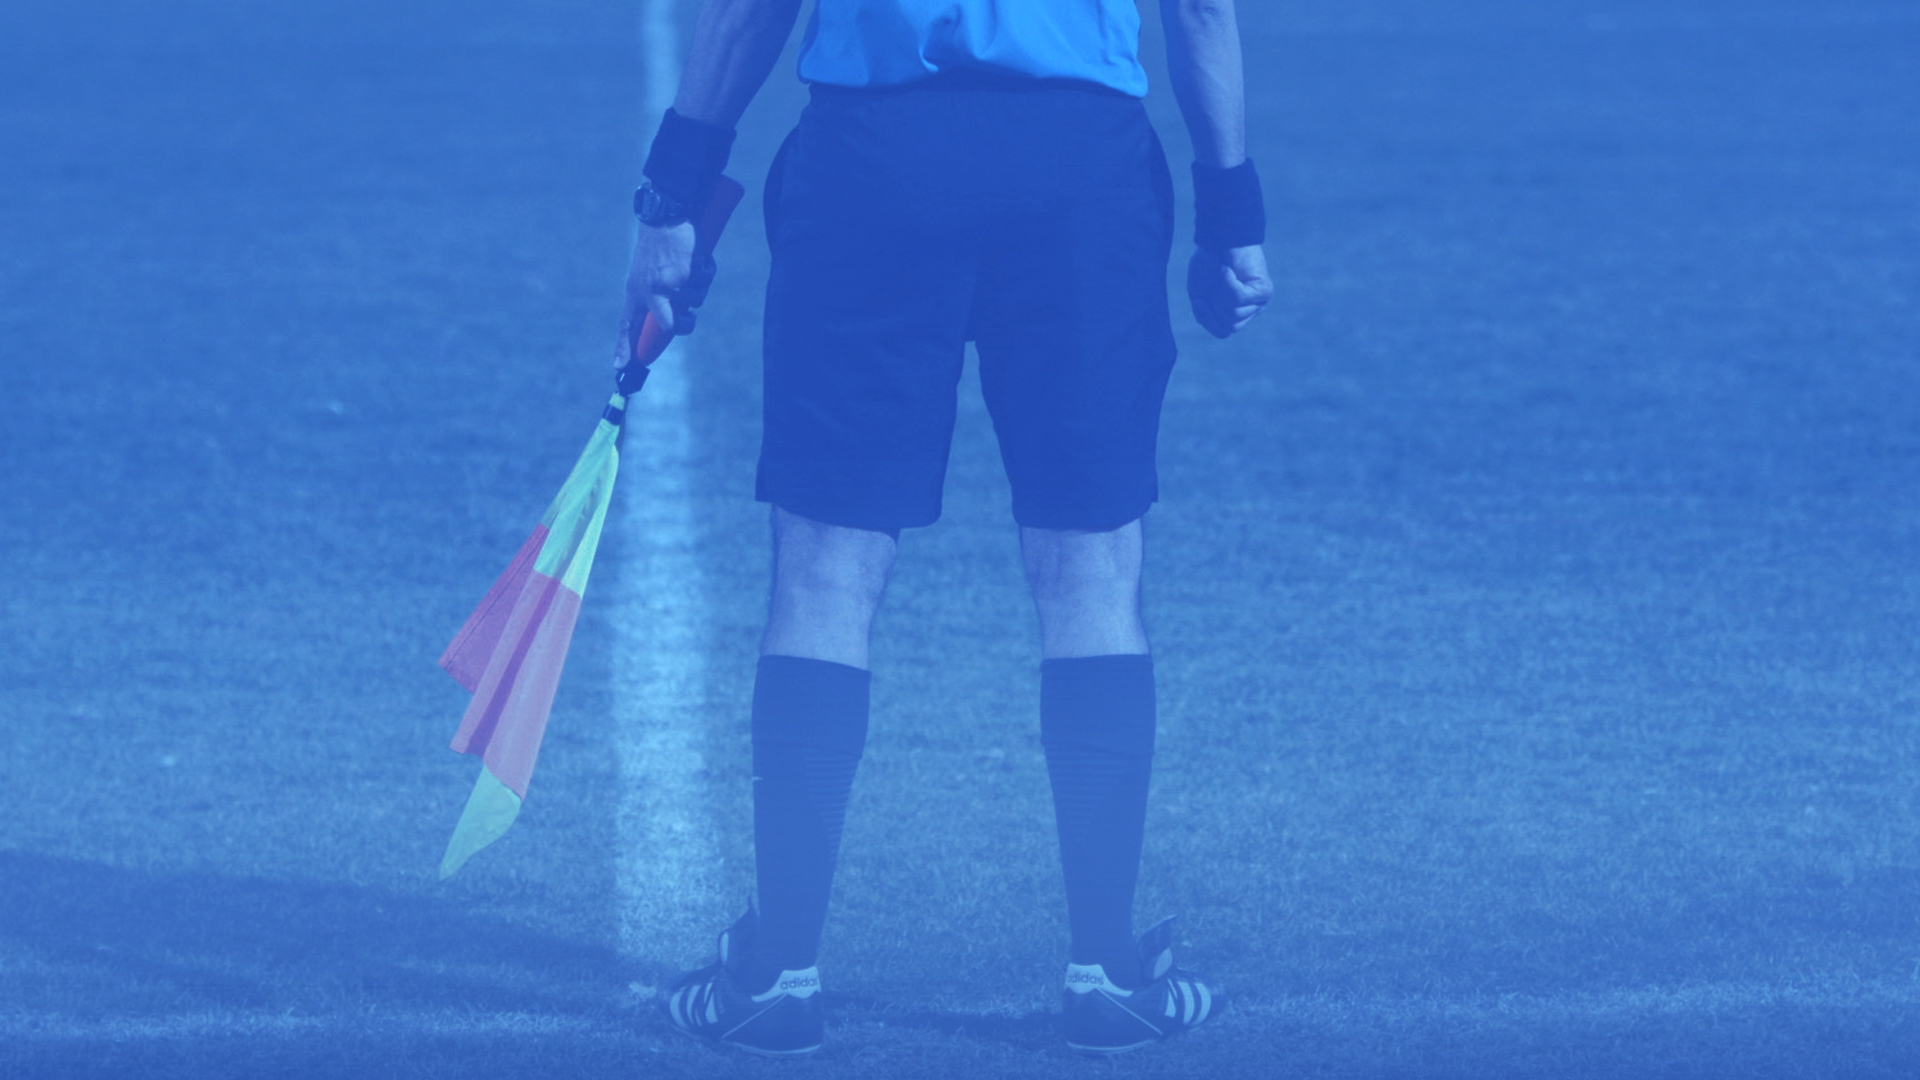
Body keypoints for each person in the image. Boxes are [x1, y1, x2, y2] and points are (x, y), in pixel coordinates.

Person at [620, 0, 1272, 1057]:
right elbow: (1198, 8)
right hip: (1081, 178)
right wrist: (1233, 216)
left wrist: (673, 189)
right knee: (1092, 569)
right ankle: (1106, 975)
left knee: (824, 570)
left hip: (874, 169)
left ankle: (779, 978)